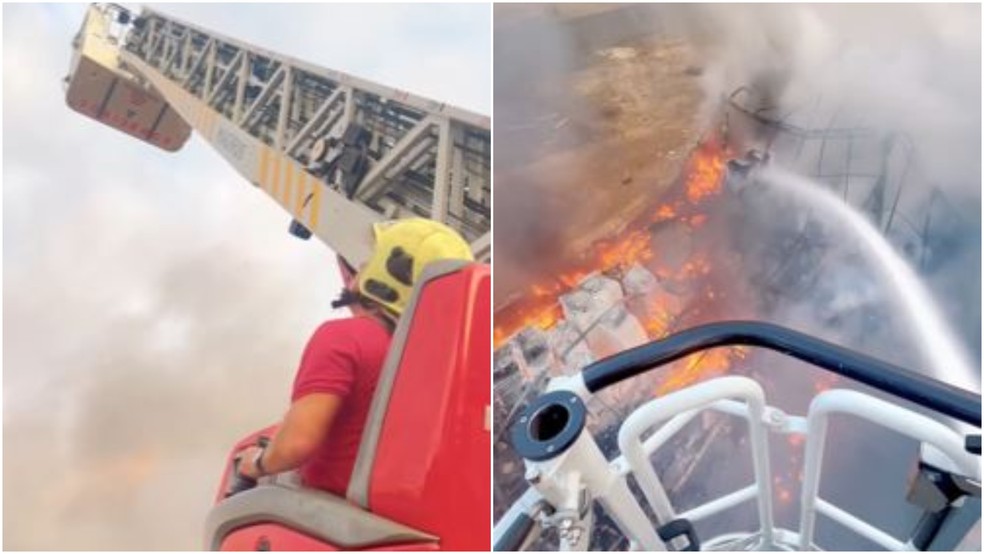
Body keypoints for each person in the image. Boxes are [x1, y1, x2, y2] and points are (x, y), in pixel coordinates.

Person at [237, 218, 474, 495]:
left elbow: (297, 444)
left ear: (385, 281)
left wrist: (257, 462)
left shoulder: (343, 338)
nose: (362, 266)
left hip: (333, 510)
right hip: (397, 506)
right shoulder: (443, 360)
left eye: (372, 258)